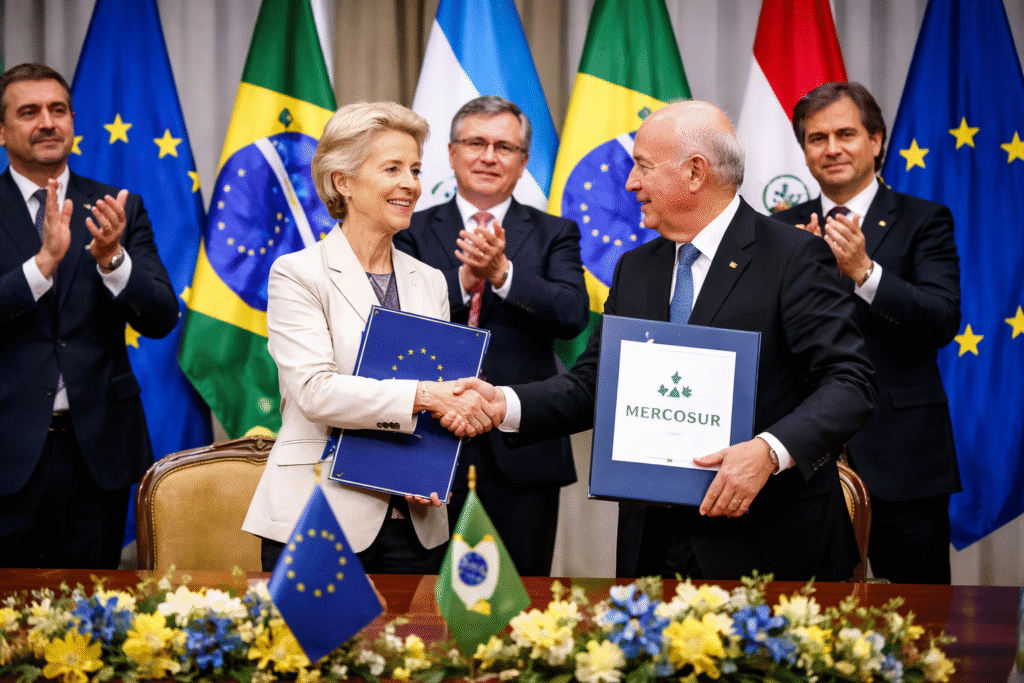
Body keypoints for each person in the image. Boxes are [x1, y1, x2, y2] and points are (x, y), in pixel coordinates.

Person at [456, 100, 876, 581]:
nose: (631, 183)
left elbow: (850, 383)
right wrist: (502, 404)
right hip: (652, 546)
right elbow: (595, 384)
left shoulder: (793, 257)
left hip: (768, 545)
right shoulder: (637, 268)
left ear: (695, 172)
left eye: (642, 166)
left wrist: (767, 451)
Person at [242, 101, 500, 574]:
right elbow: (316, 394)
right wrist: (431, 396)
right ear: (343, 181)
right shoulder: (297, 274)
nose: (411, 184)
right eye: (392, 168)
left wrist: (462, 415)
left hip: (417, 518)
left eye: (416, 170)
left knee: (413, 650)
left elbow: (438, 401)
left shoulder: (430, 280)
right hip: (317, 515)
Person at [773, 82, 961, 584]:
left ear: (877, 141)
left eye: (846, 134)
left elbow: (941, 319)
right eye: (817, 138)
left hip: (903, 458)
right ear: (805, 150)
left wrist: (863, 271)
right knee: (808, 622)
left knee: (919, 622)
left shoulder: (924, 220)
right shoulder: (779, 229)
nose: (831, 148)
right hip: (804, 459)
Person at [394, 96, 588, 576]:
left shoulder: (554, 232)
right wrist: (463, 281)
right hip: (427, 442)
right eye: (476, 143)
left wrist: (502, 274)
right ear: (453, 152)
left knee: (521, 602)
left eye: (504, 146)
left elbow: (571, 315)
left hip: (522, 448)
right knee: (426, 609)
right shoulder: (409, 229)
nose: (488, 156)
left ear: (523, 162)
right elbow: (395, 319)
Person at [0, 63, 179, 569]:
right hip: (7, 450)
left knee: (95, 610)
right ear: (2, 130)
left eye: (58, 110)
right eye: (29, 112)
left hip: (97, 450)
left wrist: (112, 260)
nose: (47, 122)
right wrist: (42, 265)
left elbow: (162, 318)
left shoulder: (116, 207)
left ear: (73, 121)